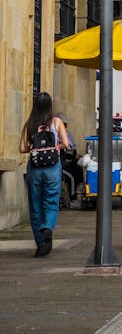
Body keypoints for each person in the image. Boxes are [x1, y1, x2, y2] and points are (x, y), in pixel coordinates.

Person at [19, 92, 70, 257]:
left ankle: (41, 244)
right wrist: (54, 147)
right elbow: (66, 144)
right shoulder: (56, 122)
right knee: (51, 202)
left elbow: (22, 148)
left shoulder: (30, 124)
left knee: (35, 206)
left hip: (35, 168)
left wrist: (35, 148)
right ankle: (48, 226)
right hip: (53, 168)